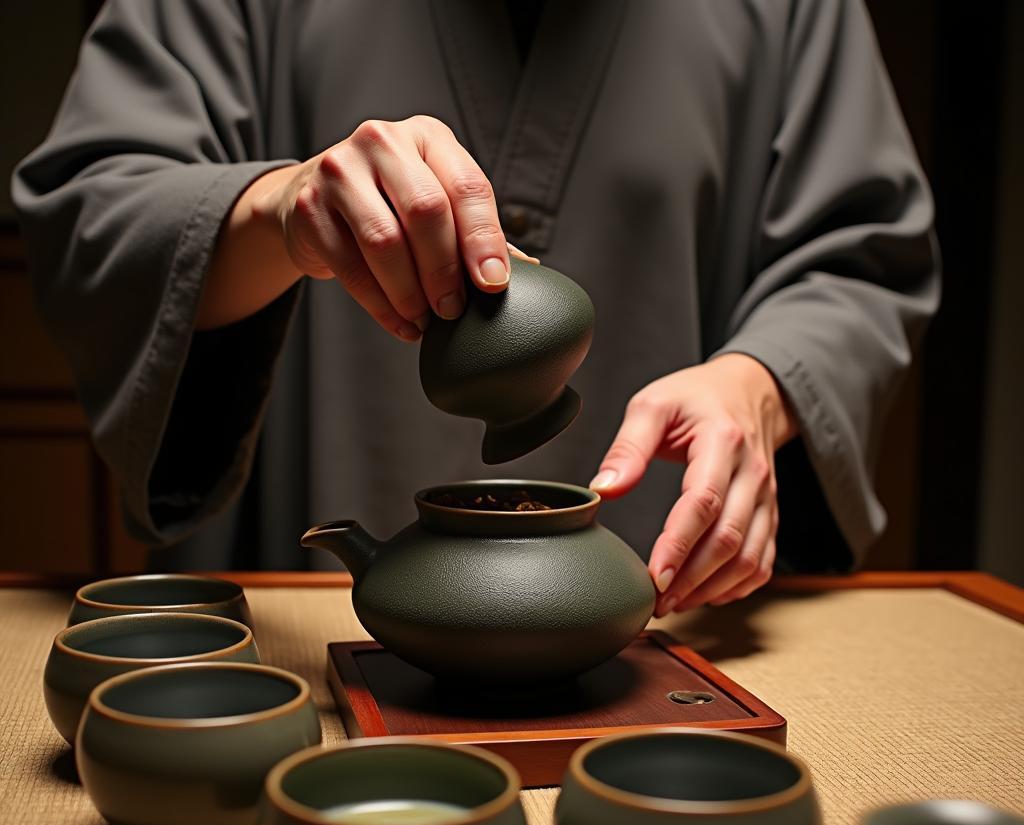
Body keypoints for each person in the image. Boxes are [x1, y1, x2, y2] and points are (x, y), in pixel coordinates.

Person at [13, 0, 939, 617]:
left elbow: (863, 256)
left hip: (674, 624)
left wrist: (761, 387)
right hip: (304, 635)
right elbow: (91, 210)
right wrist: (278, 212)